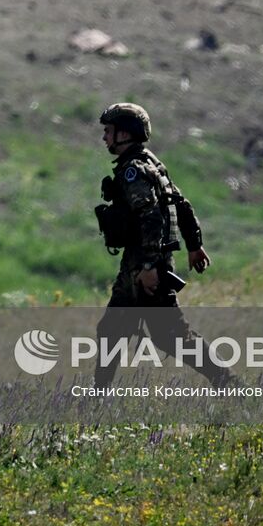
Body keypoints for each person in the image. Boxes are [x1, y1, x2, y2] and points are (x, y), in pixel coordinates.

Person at [92, 102, 228, 387]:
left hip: (146, 262)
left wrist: (149, 266)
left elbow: (151, 216)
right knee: (111, 330)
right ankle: (97, 397)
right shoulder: (151, 163)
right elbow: (182, 203)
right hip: (139, 261)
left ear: (125, 134)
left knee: (171, 336)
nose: (104, 137)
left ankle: (229, 383)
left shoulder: (134, 171)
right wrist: (194, 244)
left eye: (109, 131)